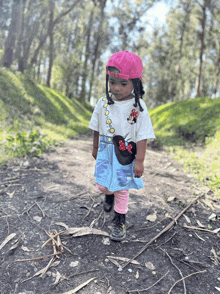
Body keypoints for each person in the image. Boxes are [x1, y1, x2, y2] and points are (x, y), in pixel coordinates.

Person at [89, 51, 155, 241]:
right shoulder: (103, 103)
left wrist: (139, 161)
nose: (116, 88)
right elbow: (96, 127)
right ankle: (108, 194)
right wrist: (95, 148)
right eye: (112, 82)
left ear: (136, 83)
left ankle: (119, 220)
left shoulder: (138, 107)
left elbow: (143, 136)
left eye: (123, 83)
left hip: (126, 154)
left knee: (122, 187)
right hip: (105, 150)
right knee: (102, 185)